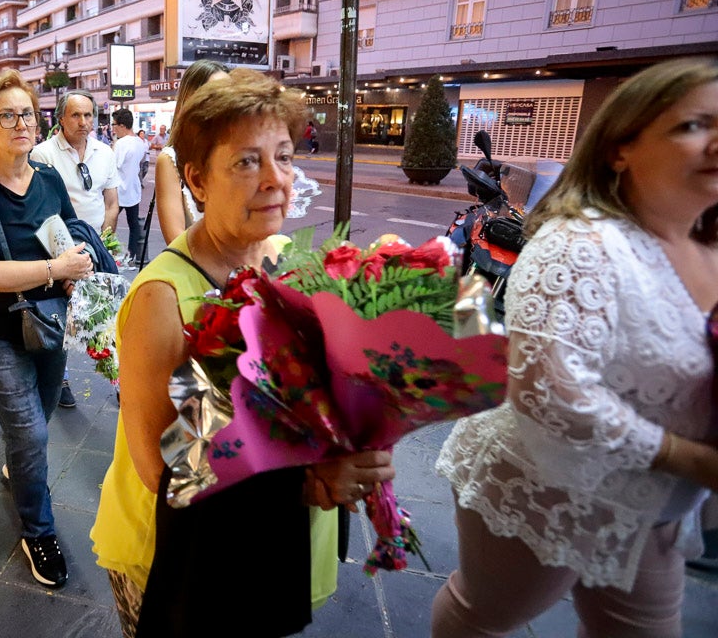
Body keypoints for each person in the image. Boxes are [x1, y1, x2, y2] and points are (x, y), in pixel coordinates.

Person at [91, 69, 396, 638]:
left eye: (283, 155)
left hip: (270, 545)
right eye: (247, 161)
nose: (276, 179)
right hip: (183, 559)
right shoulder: (163, 298)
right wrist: (305, 482)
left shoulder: (287, 259)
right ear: (197, 181)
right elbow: (160, 469)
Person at [432, 58, 718, 638]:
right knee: (486, 613)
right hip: (545, 487)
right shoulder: (579, 242)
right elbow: (546, 387)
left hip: (655, 507)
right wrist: (687, 458)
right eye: (692, 126)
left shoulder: (705, 244)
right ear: (620, 148)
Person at [0, 69, 94, 588]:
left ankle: (20, 465)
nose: (20, 123)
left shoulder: (50, 179)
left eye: (26, 113)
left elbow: (63, 237)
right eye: (5, 115)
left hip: (51, 322)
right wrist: (58, 271)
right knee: (30, 432)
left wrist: (76, 267)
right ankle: (40, 531)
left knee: (37, 424)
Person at [30, 89, 118, 408]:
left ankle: (118, 376)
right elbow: (42, 211)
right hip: (59, 252)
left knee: (104, 314)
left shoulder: (105, 152)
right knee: (63, 316)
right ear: (62, 119)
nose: (83, 122)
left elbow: (111, 202)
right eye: (76, 115)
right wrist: (68, 255)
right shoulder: (43, 154)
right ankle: (61, 378)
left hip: (97, 246)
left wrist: (101, 241)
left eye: (88, 115)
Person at [156, 60, 231, 245]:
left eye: (229, 93)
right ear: (192, 100)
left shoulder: (237, 152)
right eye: (214, 94)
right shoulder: (170, 159)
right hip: (196, 269)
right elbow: (175, 240)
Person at [110, 107, 144, 262]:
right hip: (134, 189)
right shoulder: (140, 142)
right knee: (133, 224)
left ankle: (108, 251)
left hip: (118, 190)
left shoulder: (121, 143)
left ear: (122, 126)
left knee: (109, 223)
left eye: (114, 125)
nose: (113, 128)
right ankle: (132, 255)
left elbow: (113, 164)